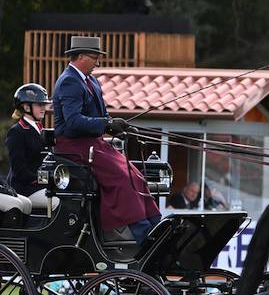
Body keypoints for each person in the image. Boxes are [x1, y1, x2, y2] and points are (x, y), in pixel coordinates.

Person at [52, 35, 160, 244]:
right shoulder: (69, 82)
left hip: (93, 143)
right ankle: (141, 232)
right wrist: (106, 124)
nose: (98, 63)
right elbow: (73, 122)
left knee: (136, 174)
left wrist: (115, 126)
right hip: (74, 146)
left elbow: (101, 115)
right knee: (121, 177)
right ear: (81, 57)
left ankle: (155, 223)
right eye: (95, 58)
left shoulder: (91, 81)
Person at [6, 83, 58, 215]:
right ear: (26, 107)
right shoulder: (16, 132)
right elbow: (19, 170)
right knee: (59, 201)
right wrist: (45, 179)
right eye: (39, 105)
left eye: (44, 105)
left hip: (43, 185)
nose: (43, 108)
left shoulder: (41, 129)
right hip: (25, 189)